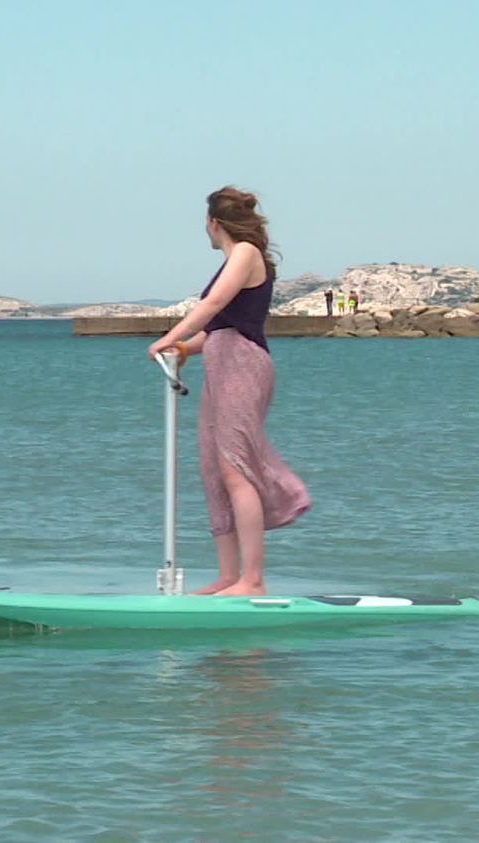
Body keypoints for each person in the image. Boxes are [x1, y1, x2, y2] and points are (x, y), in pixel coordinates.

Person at [146, 186, 311, 596]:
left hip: (242, 366)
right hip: (222, 362)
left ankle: (252, 580)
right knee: (214, 472)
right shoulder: (234, 259)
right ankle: (227, 575)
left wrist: (165, 337)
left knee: (237, 469)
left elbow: (216, 305)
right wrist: (184, 347)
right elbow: (222, 328)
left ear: (214, 223)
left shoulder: (245, 254)